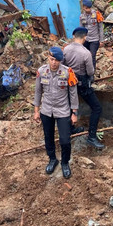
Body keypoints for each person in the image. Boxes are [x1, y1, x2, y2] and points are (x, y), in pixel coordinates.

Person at [33, 46, 79, 178]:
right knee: (48, 138)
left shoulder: (67, 72)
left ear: (61, 61)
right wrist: (36, 111)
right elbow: (38, 92)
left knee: (65, 140)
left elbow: (73, 94)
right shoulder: (42, 71)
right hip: (47, 110)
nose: (54, 62)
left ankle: (65, 162)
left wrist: (74, 112)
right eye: (52, 59)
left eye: (57, 60)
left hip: (63, 110)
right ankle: (52, 159)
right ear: (48, 58)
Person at [63, 27, 105, 150]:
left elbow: (63, 66)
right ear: (85, 37)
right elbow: (90, 71)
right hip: (82, 84)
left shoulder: (66, 49)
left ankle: (70, 130)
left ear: (73, 36)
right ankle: (91, 136)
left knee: (69, 105)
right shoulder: (86, 53)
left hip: (68, 82)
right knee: (97, 108)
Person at [79, 0, 104, 68]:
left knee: (92, 56)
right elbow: (81, 29)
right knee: (84, 55)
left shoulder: (97, 14)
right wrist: (80, 40)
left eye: (89, 8)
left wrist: (101, 40)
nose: (88, 10)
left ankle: (92, 73)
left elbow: (100, 28)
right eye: (86, 8)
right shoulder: (82, 16)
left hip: (94, 40)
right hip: (86, 39)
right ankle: (85, 70)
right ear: (83, 7)